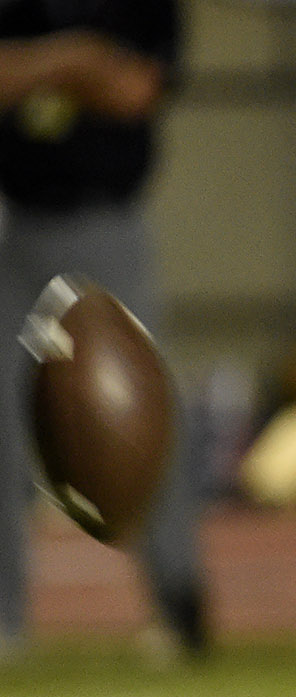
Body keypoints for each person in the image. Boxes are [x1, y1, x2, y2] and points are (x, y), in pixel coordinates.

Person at [0, 0, 207, 658]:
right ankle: (4, 618)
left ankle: (179, 605)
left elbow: (134, 90)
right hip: (16, 225)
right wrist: (81, 59)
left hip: (109, 224)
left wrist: (36, 65)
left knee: (149, 410)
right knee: (0, 421)